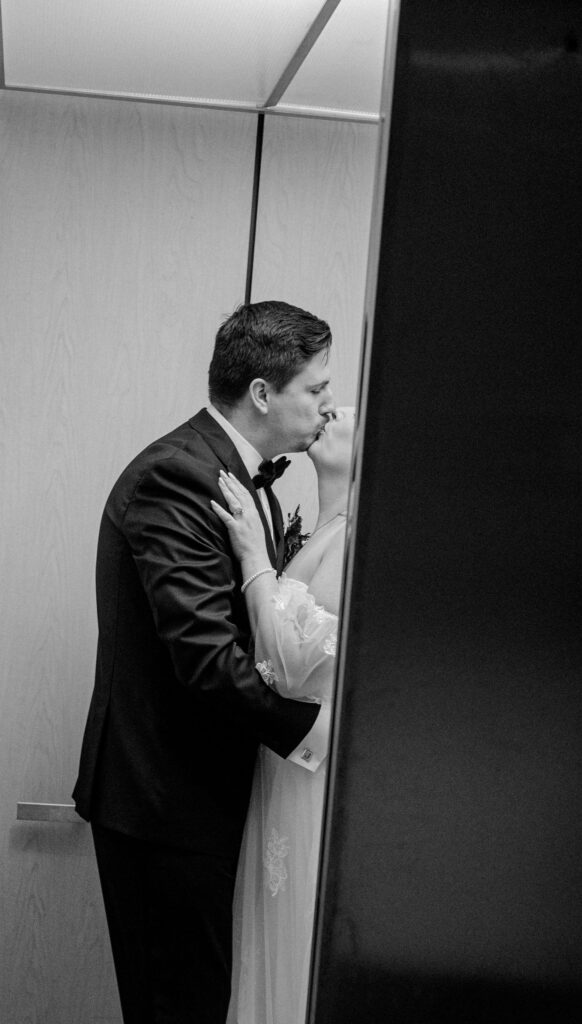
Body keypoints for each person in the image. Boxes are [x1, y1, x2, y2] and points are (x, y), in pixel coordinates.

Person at [72, 300, 336, 1024]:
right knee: (177, 1009)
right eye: (315, 388)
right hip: (166, 803)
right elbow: (204, 658)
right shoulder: (177, 475)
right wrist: (314, 734)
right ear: (261, 393)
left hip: (201, 800)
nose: (327, 403)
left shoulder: (232, 473)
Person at [211, 408, 355, 1024]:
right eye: (321, 394)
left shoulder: (357, 536)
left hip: (315, 766)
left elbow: (293, 663)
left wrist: (252, 561)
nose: (331, 411)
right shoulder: (329, 526)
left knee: (298, 933)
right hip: (283, 767)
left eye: (350, 409)